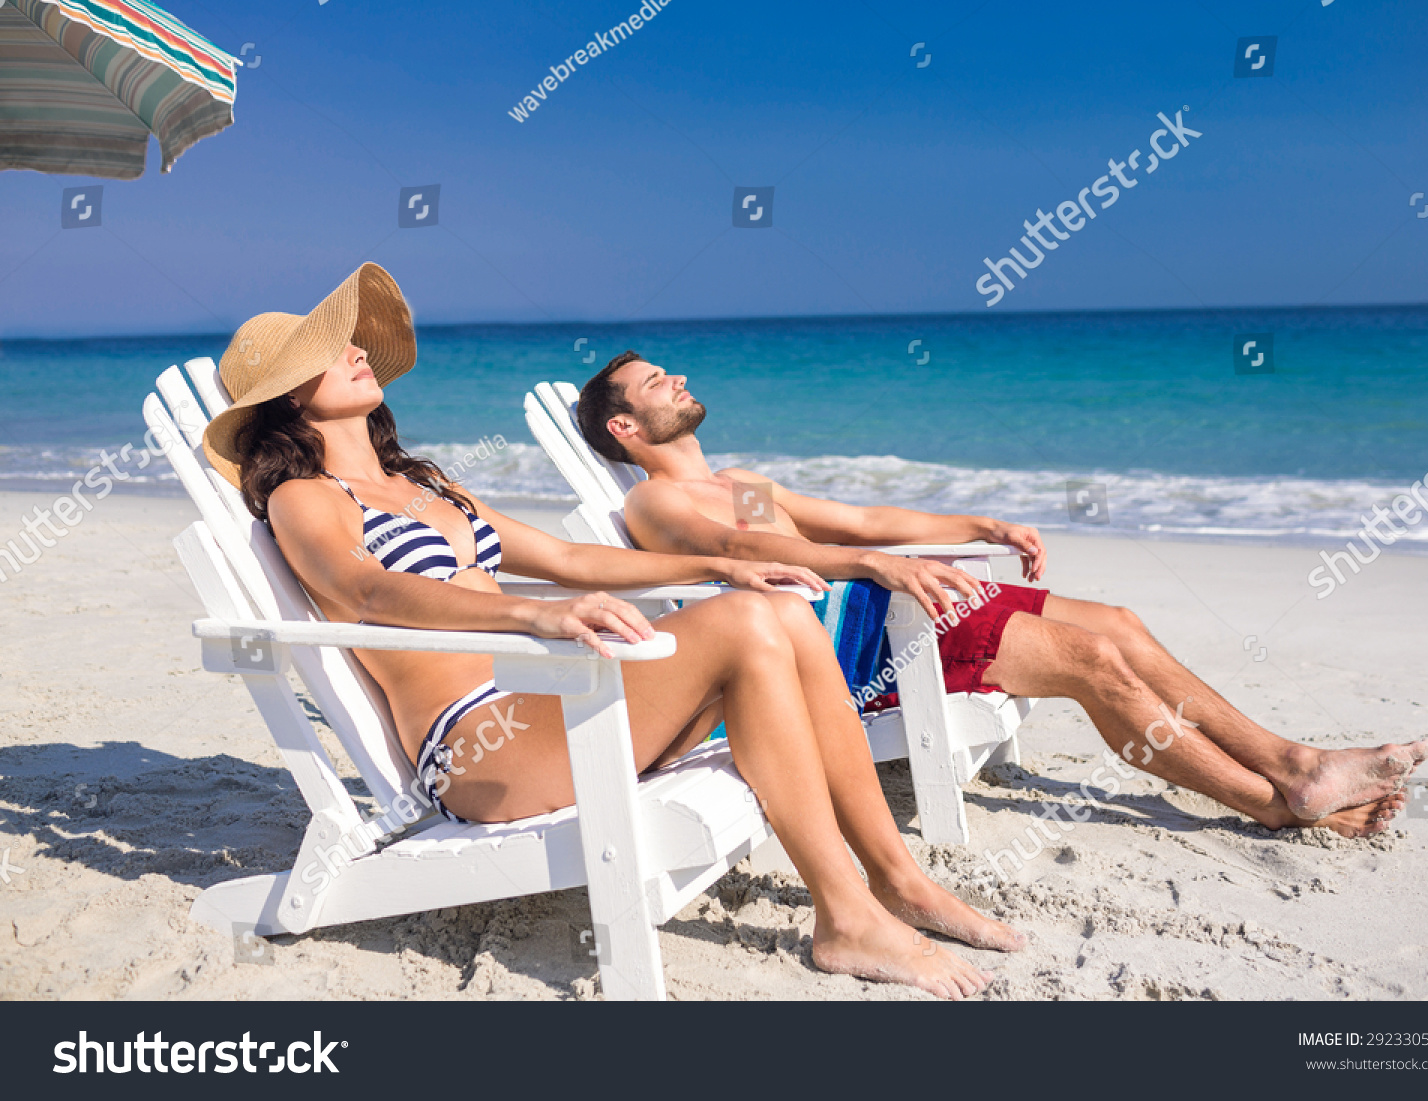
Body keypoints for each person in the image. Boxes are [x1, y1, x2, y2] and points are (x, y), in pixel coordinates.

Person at [201, 264, 1027, 1000]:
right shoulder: (306, 497)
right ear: (286, 397)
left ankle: (895, 879)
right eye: (325, 348)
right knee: (752, 618)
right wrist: (538, 613)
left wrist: (721, 572)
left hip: (551, 706)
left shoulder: (427, 482)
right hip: (484, 746)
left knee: (769, 606)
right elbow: (371, 590)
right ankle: (846, 915)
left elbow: (564, 555)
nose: (355, 349)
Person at [575, 351, 1428, 839]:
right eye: (655, 383)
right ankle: (1275, 803)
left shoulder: (737, 479)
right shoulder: (656, 500)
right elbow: (740, 551)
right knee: (1094, 661)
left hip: (889, 601)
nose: (677, 379)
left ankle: (1296, 764)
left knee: (1120, 623)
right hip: (855, 649)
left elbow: (861, 516)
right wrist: (875, 566)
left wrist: (976, 522)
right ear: (626, 429)